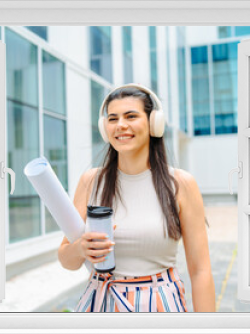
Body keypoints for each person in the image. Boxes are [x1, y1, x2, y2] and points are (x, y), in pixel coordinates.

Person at [58, 83, 215, 312]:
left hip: (160, 305)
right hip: (100, 303)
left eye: (131, 116)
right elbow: (67, 261)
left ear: (154, 123)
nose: (121, 125)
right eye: (112, 119)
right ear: (105, 128)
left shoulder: (181, 184)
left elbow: (200, 271)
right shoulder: (91, 181)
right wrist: (82, 248)